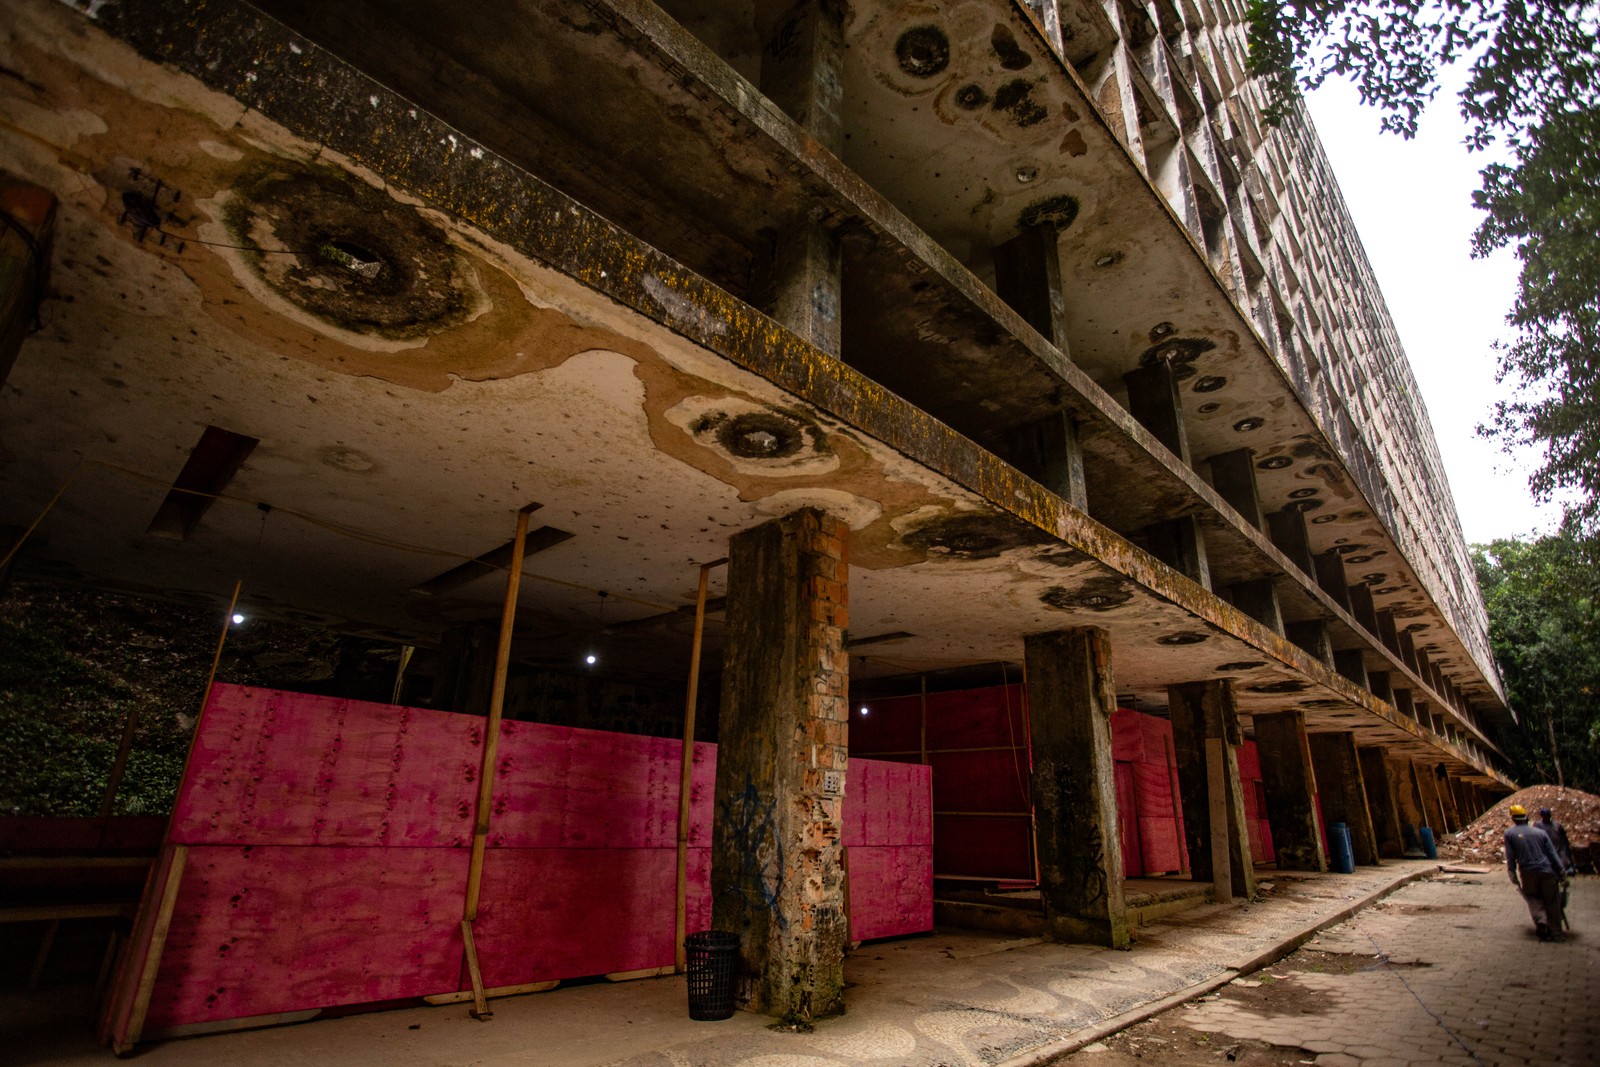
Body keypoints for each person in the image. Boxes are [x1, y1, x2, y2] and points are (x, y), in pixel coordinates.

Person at [1505, 803, 1565, 940]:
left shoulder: (1509, 833)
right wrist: (1561, 871)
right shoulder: (1540, 833)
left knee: (1533, 898)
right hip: (1546, 871)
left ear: (1513, 819)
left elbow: (1510, 856)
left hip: (1527, 872)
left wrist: (1512, 873)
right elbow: (1552, 854)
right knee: (1552, 901)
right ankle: (1556, 933)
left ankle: (1542, 920)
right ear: (1527, 818)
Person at [1536, 807, 1577, 931]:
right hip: (1549, 858)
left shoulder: (1554, 826)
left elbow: (1564, 841)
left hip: (1554, 857)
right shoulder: (1539, 826)